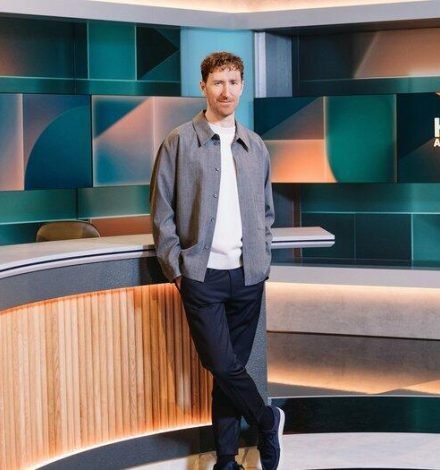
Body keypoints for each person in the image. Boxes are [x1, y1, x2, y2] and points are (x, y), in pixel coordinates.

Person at [150, 51, 283, 470]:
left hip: (247, 276)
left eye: (234, 82)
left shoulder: (255, 146)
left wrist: (262, 260)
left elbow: (266, 213)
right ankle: (267, 420)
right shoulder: (178, 142)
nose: (226, 91)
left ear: (242, 87)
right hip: (201, 276)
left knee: (230, 371)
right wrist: (177, 269)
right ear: (203, 86)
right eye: (218, 82)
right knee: (221, 364)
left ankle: (226, 460)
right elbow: (162, 213)